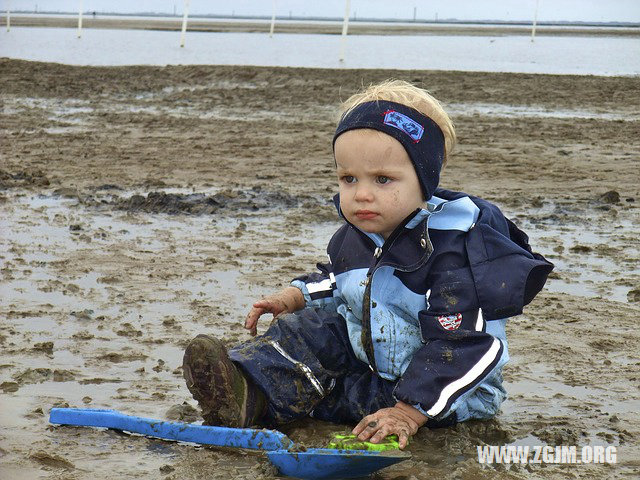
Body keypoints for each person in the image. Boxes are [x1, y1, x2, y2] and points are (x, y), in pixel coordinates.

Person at [182, 80, 553, 449]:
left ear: (425, 181)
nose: (361, 193)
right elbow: (342, 280)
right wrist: (295, 295)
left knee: (351, 399)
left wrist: (408, 412)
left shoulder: (452, 253)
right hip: (373, 359)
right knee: (309, 328)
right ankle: (244, 386)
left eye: (382, 179)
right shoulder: (355, 235)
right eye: (348, 178)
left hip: (442, 390)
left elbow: (468, 345)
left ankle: (270, 402)